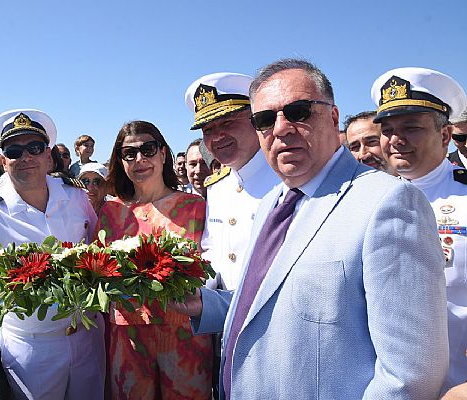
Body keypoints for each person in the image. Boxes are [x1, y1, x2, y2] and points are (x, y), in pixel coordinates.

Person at [175, 59, 448, 399]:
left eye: (298, 112)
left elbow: (410, 376)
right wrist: (203, 304)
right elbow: (267, 304)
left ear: (333, 117)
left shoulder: (388, 203)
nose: (281, 128)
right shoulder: (273, 203)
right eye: (265, 119)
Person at [0, 109, 105, 400]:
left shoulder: (76, 195)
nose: (25, 157)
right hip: (33, 349)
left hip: (88, 336)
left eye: (35, 148)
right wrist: (15, 283)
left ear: (48, 156)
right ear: (3, 160)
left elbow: (98, 245)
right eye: (14, 151)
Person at [99, 120, 212, 400]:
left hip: (184, 332)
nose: (140, 159)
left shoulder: (195, 207)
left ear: (163, 153)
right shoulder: (110, 212)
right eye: (129, 153)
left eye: (148, 149)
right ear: (120, 161)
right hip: (128, 336)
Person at [372, 67, 467, 394]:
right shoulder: (366, 200)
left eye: (411, 128)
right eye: (387, 130)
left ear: (445, 135)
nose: (396, 140)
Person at [185, 72, 281, 291]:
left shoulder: (285, 178)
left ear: (254, 119)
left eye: (227, 122)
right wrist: (194, 292)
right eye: (208, 129)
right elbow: (213, 251)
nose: (217, 136)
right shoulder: (217, 187)